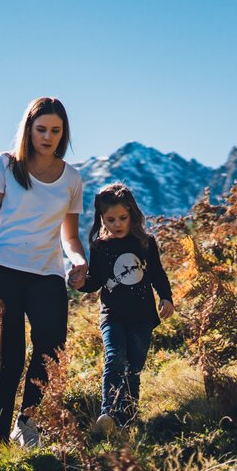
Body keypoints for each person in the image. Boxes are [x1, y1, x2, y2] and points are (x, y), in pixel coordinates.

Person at [0, 97, 87, 450]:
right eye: (41, 129)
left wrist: (77, 260)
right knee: (9, 360)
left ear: (64, 134)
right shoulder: (3, 164)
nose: (48, 137)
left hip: (46, 273)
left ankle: (26, 424)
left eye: (55, 131)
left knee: (50, 351)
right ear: (28, 129)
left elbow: (70, 235)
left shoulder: (72, 179)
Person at [71, 182, 174, 433]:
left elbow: (158, 274)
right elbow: (95, 282)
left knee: (133, 368)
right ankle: (108, 413)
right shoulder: (100, 247)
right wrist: (81, 283)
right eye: (110, 219)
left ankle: (127, 418)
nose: (117, 224)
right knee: (114, 358)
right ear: (101, 219)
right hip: (112, 315)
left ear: (132, 215)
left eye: (122, 218)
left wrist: (165, 297)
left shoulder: (145, 243)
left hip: (142, 317)